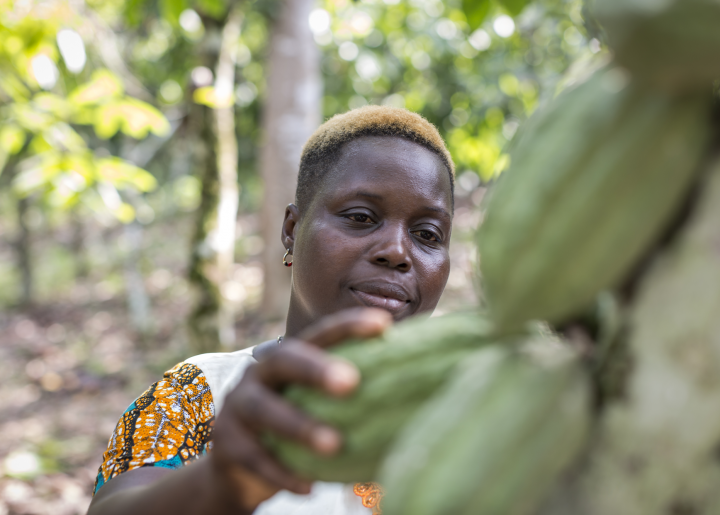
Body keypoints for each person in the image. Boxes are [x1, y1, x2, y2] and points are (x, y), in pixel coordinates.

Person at [87, 105, 455, 515]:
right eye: (360, 217)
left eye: (427, 234)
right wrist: (219, 485)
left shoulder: (477, 412)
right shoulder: (199, 394)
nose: (396, 251)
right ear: (292, 231)